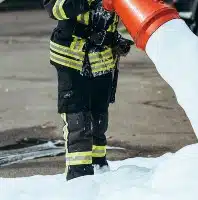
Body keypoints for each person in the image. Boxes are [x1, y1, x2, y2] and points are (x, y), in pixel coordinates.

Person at [43, 0, 134, 181]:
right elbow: (54, 8)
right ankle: (80, 180)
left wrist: (114, 39)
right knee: (79, 121)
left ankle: (99, 170)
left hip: (103, 60)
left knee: (99, 120)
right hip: (72, 58)